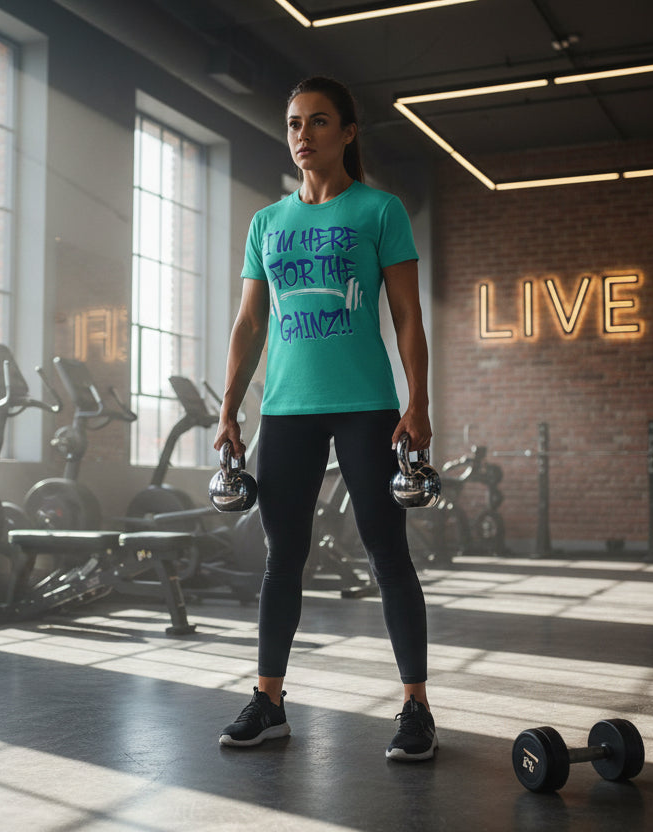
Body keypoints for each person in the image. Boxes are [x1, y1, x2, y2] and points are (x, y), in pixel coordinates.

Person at [213, 76, 436, 761]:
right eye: (293, 123)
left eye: (317, 122)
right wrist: (228, 410)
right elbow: (250, 323)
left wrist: (418, 401)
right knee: (283, 557)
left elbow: (405, 315)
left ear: (347, 132)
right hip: (287, 410)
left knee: (385, 552)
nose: (302, 134)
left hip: (367, 407)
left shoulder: (379, 210)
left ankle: (416, 708)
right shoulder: (267, 223)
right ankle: (269, 700)